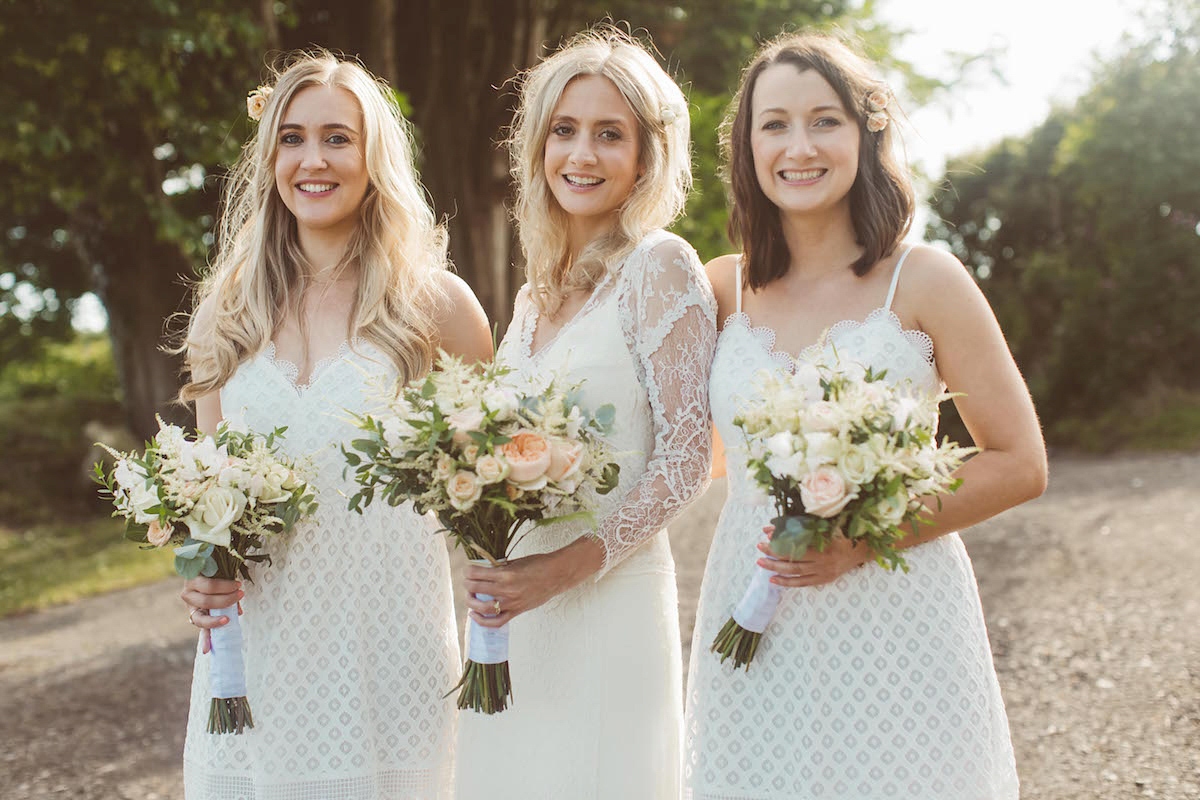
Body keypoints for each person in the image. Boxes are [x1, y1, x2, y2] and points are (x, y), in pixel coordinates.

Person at [684, 32, 1047, 800]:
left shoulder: (925, 279)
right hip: (753, 614)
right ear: (747, 146)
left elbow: (1019, 461)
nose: (800, 145)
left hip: (897, 606)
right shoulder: (717, 291)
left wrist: (859, 538)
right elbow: (684, 455)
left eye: (826, 120)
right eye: (774, 124)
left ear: (866, 130)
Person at [176, 51, 492, 799]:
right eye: (291, 138)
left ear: (374, 155)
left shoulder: (438, 307)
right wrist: (197, 569)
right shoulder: (225, 314)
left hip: (391, 650)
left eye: (336, 138)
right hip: (259, 650)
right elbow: (206, 495)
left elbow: (489, 504)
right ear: (270, 156)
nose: (311, 160)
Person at [453, 27, 716, 799]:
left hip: (608, 608)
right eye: (564, 131)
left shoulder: (660, 266)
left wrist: (560, 571)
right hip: (516, 616)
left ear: (645, 157)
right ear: (537, 147)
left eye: (610, 134)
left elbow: (684, 461)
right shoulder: (534, 298)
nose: (582, 154)